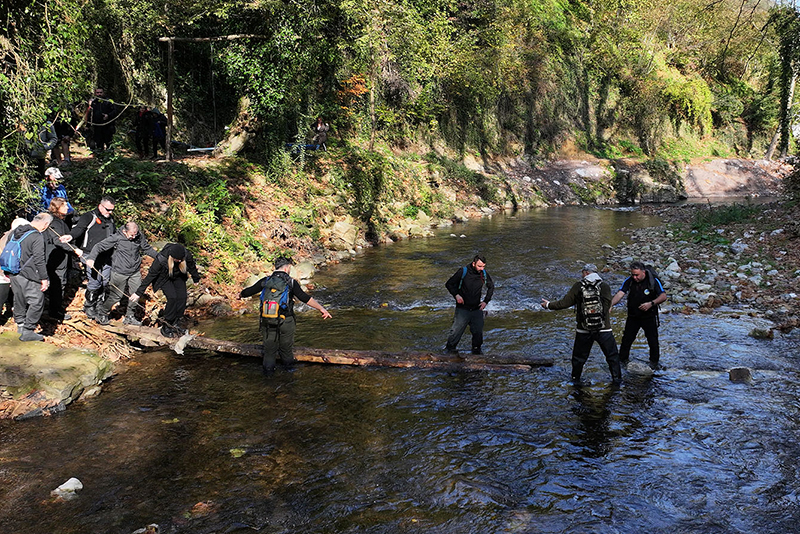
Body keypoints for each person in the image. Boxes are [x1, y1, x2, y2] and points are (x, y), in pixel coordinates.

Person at [239, 256, 331, 372]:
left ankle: (268, 376)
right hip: (286, 320)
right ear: (287, 268)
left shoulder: (265, 281)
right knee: (286, 349)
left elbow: (249, 291)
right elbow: (304, 298)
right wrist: (322, 309)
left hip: (267, 319)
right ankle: (289, 376)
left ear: (276, 267)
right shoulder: (291, 282)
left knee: (269, 351)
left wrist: (240, 295)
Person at [541, 263, 622, 386]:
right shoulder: (605, 286)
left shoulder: (578, 286)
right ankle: (617, 381)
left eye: (582, 272)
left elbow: (564, 303)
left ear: (586, 273)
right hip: (603, 329)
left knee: (579, 359)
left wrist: (548, 305)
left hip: (583, 329)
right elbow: (607, 306)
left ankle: (576, 380)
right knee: (612, 356)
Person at [85, 222, 157, 326]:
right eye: (131, 235)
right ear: (124, 231)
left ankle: (130, 316)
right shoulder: (117, 237)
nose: (134, 237)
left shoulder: (138, 236)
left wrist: (160, 257)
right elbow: (99, 246)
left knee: (136, 294)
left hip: (135, 272)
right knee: (115, 296)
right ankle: (102, 312)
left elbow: (147, 248)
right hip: (119, 272)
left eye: (135, 234)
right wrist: (91, 258)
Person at [130, 243, 201, 338]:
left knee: (182, 297)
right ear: (172, 257)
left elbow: (191, 265)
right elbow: (150, 276)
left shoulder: (186, 255)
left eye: (181, 260)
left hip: (178, 276)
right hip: (164, 278)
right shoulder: (161, 259)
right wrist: (138, 293)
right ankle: (167, 325)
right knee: (172, 298)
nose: (179, 261)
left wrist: (196, 278)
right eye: (177, 260)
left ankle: (176, 323)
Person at [611, 260, 668, 369]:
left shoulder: (653, 281)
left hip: (649, 316)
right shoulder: (629, 281)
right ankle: (622, 361)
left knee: (653, 341)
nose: (634, 277)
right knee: (626, 340)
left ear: (643, 272)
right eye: (633, 275)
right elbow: (620, 293)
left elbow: (663, 296)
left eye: (637, 275)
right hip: (633, 316)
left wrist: (651, 304)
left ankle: (654, 364)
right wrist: (610, 305)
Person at [5, 213, 53, 341]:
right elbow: (39, 259)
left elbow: (7, 250)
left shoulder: (15, 232)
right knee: (37, 302)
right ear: (45, 225)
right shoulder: (36, 236)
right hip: (30, 275)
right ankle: (28, 330)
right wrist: (44, 278)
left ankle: (20, 324)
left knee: (19, 298)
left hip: (14, 272)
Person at [69, 196, 116, 319]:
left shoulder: (110, 220)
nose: (110, 212)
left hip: (106, 256)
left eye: (112, 210)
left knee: (106, 282)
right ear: (100, 206)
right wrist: (70, 237)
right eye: (108, 209)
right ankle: (89, 305)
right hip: (90, 254)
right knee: (95, 281)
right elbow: (79, 229)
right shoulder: (89, 217)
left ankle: (100, 305)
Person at [444, 254, 494, 354]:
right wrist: (456, 295)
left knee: (478, 335)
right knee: (455, 333)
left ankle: (476, 353)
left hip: (477, 309)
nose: (481, 268)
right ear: (473, 263)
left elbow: (491, 287)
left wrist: (485, 301)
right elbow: (449, 284)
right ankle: (449, 352)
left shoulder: (483, 274)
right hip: (463, 309)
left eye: (483, 266)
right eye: (479, 266)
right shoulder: (463, 272)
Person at [44, 198, 81, 321]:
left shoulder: (61, 220)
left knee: (58, 284)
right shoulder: (54, 222)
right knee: (58, 284)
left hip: (60, 259)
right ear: (57, 207)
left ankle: (55, 309)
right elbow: (58, 240)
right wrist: (74, 249)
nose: (67, 208)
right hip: (56, 260)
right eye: (64, 206)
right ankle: (54, 312)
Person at [0, 218, 29, 321]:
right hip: (5, 271)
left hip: (4, 270)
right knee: (3, 295)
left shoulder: (6, 236)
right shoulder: (15, 237)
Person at [85, 87, 117, 152]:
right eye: (97, 93)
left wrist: (108, 115)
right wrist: (87, 126)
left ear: (103, 93)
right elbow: (90, 115)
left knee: (109, 142)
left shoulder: (109, 101)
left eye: (100, 92)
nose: (99, 94)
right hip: (97, 126)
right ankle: (100, 157)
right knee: (99, 142)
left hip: (108, 125)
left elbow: (115, 111)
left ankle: (110, 157)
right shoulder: (94, 103)